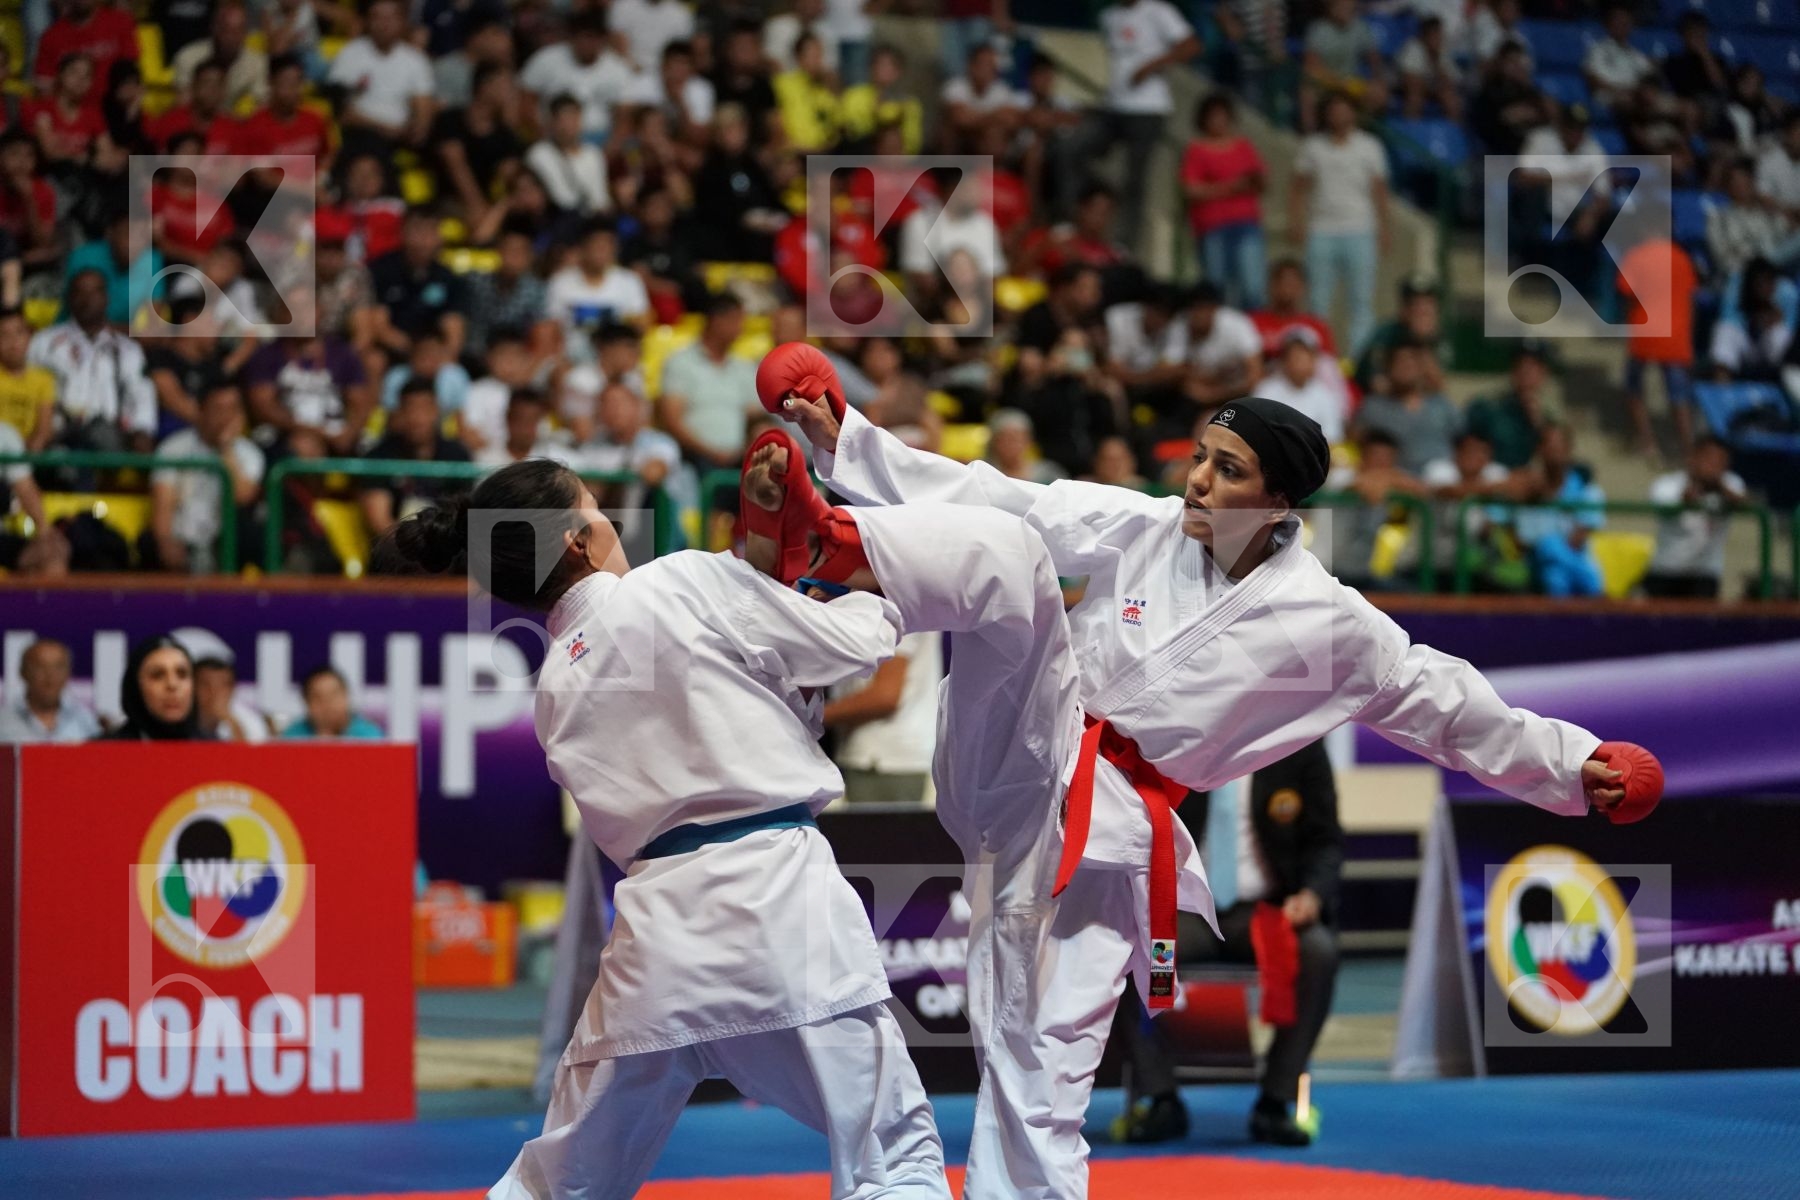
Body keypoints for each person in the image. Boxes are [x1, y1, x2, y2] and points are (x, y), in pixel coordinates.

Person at [772, 350, 1645, 1199]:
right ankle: (837, 544)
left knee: (1039, 1065)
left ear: (1276, 501)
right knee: (1018, 555)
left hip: (1112, 828)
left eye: (1225, 469)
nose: (1195, 478)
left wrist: (1576, 764)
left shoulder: (1331, 624)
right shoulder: (1147, 526)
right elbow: (1001, 495)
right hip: (1027, 742)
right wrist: (846, 437)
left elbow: (1448, 704)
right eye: (1198, 456)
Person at [377, 458, 953, 1200]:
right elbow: (844, 646)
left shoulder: (553, 688)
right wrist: (877, 594)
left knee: (561, 1183)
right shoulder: (676, 582)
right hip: (779, 906)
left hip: (658, 942)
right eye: (594, 502)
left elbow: (745, 703)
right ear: (579, 540)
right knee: (893, 1156)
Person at [1113, 739, 1343, 1146]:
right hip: (1183, 915)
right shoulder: (1179, 735)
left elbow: (1325, 841)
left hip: (1265, 915)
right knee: (1136, 951)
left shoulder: (1299, 741)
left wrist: (1311, 894)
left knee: (1316, 951)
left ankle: (1277, 1099)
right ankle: (1158, 1095)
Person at [1080, 0, 1200, 251]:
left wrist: (1151, 66)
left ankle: (1126, 243)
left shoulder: (1159, 11)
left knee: (1135, 178)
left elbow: (1191, 45)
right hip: (1114, 106)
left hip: (1148, 108)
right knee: (1073, 150)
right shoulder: (1109, 16)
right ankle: (1075, 223)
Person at [1290, 90, 1390, 357]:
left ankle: (1358, 362)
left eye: (1344, 109)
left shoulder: (1370, 146)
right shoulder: (1313, 146)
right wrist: (1297, 221)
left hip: (1361, 230)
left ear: (1354, 113)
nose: (1339, 115)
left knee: (1361, 303)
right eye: (1334, 109)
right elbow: (1298, 188)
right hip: (1321, 231)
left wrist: (1385, 229)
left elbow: (1379, 190)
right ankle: (1318, 360)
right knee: (1318, 302)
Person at [145, 382, 264, 574]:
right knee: (148, 544)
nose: (226, 416)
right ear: (201, 411)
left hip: (223, 545)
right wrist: (166, 542)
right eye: (218, 409)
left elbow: (242, 497)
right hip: (182, 539)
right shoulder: (173, 448)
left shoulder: (249, 453)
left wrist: (225, 448)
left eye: (232, 409)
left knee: (250, 536)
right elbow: (163, 504)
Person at [824, 630, 944, 807]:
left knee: (880, 834)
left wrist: (810, 717)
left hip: (884, 757)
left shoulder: (895, 609)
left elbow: (885, 696)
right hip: (891, 756)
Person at [1182, 93, 1267, 311]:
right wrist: (1233, 187)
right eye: (1213, 117)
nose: (1218, 121)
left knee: (1252, 287)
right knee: (1217, 286)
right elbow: (1192, 191)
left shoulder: (1243, 146)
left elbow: (1260, 182)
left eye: (1222, 116)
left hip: (1245, 224)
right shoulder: (1196, 150)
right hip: (1212, 226)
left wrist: (1218, 188)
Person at [656, 293, 758, 469]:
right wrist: (712, 453)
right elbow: (672, 419)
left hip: (740, 459)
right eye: (736, 321)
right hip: (694, 458)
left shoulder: (745, 368)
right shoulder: (681, 363)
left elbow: (755, 418)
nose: (741, 328)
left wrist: (744, 450)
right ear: (717, 320)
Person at [1645, 437, 1747, 599]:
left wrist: (1718, 486)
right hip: (1666, 570)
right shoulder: (1667, 484)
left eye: (1719, 461)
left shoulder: (1731, 483)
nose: (1713, 466)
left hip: (1705, 573)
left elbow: (1742, 502)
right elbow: (1664, 507)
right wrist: (1688, 496)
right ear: (1693, 457)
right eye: (1708, 459)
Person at [1516, 422, 1605, 598]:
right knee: (1550, 553)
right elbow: (1525, 541)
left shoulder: (1587, 489)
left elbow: (1577, 540)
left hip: (1570, 563)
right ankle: (1596, 591)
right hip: (1535, 566)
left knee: (1555, 573)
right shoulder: (1527, 491)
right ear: (1539, 449)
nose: (1554, 451)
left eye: (1559, 445)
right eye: (1549, 445)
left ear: (1568, 449)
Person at [1253, 326, 1345, 445]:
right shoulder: (1266, 390)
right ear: (1284, 360)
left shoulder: (1325, 395)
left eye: (1306, 356)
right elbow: (1257, 432)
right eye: (1296, 356)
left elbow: (1332, 438)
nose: (1301, 362)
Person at [100, 635, 203, 740]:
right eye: (157, 675)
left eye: (182, 674)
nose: (172, 685)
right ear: (136, 687)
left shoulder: (215, 750)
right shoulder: (100, 752)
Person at [0, 638, 100, 743]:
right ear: (23, 672)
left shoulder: (86, 721)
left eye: (58, 668)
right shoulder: (3, 722)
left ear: (68, 673)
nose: (50, 676)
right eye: (40, 667)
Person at [282, 666, 385, 738]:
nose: (327, 704)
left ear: (346, 696)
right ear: (306, 702)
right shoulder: (292, 737)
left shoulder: (370, 736)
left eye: (334, 695)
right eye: (318, 698)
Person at [193, 656, 270, 742]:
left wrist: (231, 722)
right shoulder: (179, 716)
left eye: (222, 685)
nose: (214, 692)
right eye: (206, 684)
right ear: (193, 686)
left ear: (232, 689)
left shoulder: (251, 722)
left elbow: (248, 754)